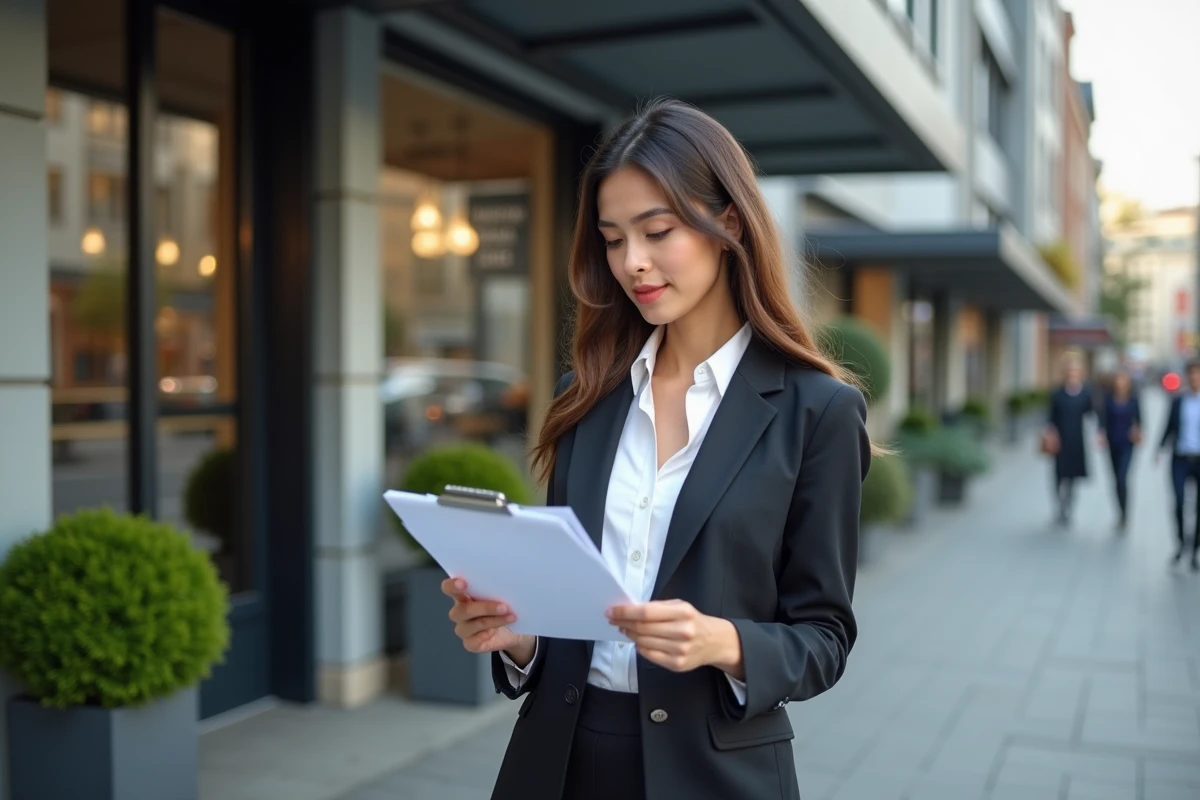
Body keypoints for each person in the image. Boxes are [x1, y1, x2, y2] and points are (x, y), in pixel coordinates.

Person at [440, 98, 872, 800]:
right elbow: (569, 612)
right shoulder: (585, 396)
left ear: (729, 223)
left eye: (657, 231)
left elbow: (823, 638)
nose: (632, 263)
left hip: (716, 775)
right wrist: (518, 638)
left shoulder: (817, 411)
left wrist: (723, 643)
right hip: (558, 764)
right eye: (613, 240)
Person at [1156, 359, 1200, 570]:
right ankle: (1182, 542)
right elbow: (1168, 427)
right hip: (1180, 458)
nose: (1194, 378)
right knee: (1179, 501)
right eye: (1191, 374)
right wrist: (1159, 449)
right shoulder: (1178, 401)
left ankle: (1195, 549)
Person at [1044, 355, 1094, 526]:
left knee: (1072, 477)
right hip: (1060, 440)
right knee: (1058, 475)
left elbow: (1091, 414)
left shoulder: (1085, 394)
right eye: (1070, 371)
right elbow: (1050, 418)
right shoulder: (1057, 394)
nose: (1072, 374)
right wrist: (1050, 434)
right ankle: (1059, 505)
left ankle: (1068, 507)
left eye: (1075, 371)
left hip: (1076, 440)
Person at [1095, 369, 1142, 530]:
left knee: (1122, 477)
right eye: (1118, 380)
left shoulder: (1134, 400)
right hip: (1112, 443)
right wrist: (1101, 433)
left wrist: (1138, 430)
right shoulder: (1108, 399)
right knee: (1115, 480)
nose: (1120, 384)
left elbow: (1140, 420)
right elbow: (1102, 420)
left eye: (1123, 380)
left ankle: (1125, 514)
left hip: (1127, 444)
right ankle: (1120, 512)